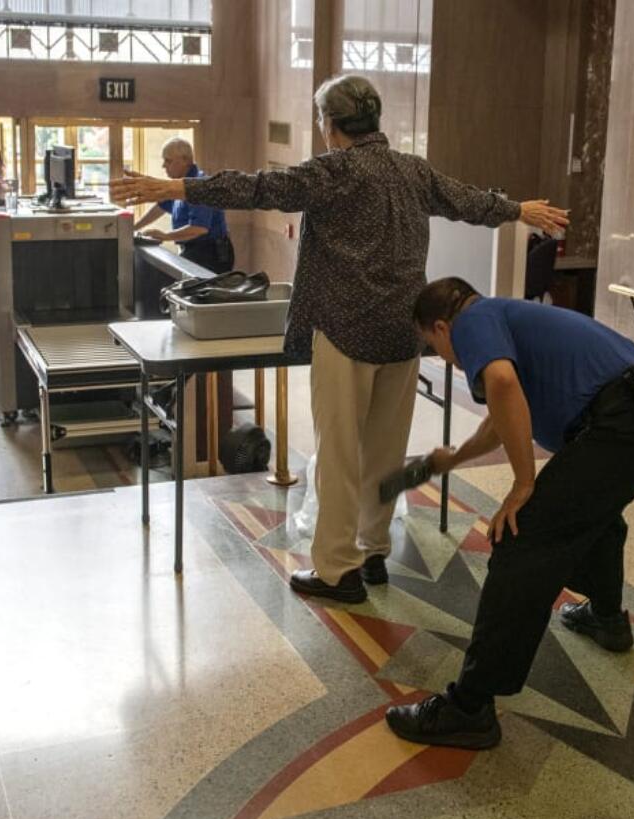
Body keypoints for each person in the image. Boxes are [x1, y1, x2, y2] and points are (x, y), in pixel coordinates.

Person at [112, 75, 569, 604]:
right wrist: (517, 210)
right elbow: (466, 201)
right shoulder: (411, 170)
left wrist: (175, 187)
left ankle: (336, 570)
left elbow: (261, 188)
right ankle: (374, 550)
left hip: (344, 331)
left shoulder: (336, 170)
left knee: (338, 455)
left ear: (330, 125)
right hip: (402, 333)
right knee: (384, 451)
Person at [383, 278, 634, 749]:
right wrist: (456, 457)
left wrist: (524, 483)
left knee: (523, 538)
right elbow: (501, 410)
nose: (444, 356)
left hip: (627, 420)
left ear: (440, 326)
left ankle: (469, 707)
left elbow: (502, 382)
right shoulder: (509, 318)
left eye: (434, 346)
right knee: (591, 511)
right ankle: (607, 619)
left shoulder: (474, 319)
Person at [132, 138, 235, 274]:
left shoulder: (200, 186)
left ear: (185, 161)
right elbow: (160, 207)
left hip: (210, 252)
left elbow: (199, 228)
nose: (163, 166)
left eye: (168, 161)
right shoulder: (180, 185)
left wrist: (165, 236)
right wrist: (133, 228)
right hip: (194, 248)